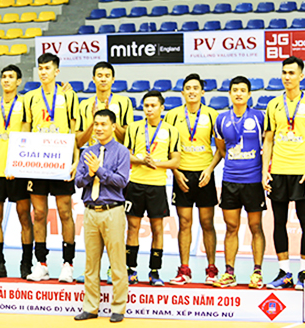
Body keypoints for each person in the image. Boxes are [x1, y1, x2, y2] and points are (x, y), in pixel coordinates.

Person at [263, 56, 305, 290]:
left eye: (291, 73)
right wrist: (264, 172)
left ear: (301, 76)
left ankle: (303, 273)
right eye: (284, 73)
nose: (287, 77)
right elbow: (267, 141)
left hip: (301, 172)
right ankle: (285, 271)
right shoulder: (273, 105)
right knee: (279, 222)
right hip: (278, 171)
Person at [23, 53, 79, 283]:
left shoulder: (69, 95)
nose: (43, 72)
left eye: (48, 68)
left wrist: (76, 160)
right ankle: (42, 264)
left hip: (61, 160)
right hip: (38, 162)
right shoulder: (30, 97)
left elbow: (75, 131)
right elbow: (26, 130)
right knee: (39, 214)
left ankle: (68, 264)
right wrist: (23, 161)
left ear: (57, 71)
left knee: (65, 212)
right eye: (40, 68)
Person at [74, 110, 129, 324]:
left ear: (113, 127)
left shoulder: (122, 152)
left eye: (103, 124)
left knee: (117, 262)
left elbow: (121, 181)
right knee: (90, 263)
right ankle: (90, 307)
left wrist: (99, 171)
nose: (98, 128)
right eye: (96, 124)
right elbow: (78, 181)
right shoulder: (87, 151)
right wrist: (89, 173)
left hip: (112, 211)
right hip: (90, 211)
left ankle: (118, 307)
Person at [164, 74, 220, 285]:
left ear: (202, 92)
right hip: (182, 175)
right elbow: (167, 149)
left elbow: (220, 149)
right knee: (184, 223)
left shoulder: (213, 114)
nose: (192, 91)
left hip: (205, 173)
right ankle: (184, 269)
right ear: (182, 92)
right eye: (188, 88)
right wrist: (176, 173)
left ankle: (211, 269)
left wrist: (210, 169)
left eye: (196, 88)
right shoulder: (172, 115)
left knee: (207, 223)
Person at [214, 76, 266, 289]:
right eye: (235, 90)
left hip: (253, 181)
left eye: (242, 90)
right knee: (231, 227)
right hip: (230, 180)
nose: (238, 93)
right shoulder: (221, 119)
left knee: (255, 226)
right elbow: (221, 148)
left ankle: (257, 273)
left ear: (249, 94)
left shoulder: (260, 117)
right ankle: (229, 273)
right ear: (230, 93)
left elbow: (267, 146)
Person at [124, 90, 180, 286]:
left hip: (157, 186)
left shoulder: (172, 130)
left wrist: (156, 163)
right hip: (135, 184)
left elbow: (175, 161)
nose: (149, 109)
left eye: (153, 105)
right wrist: (141, 161)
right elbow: (127, 156)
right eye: (146, 105)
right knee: (132, 228)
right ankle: (130, 269)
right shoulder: (134, 128)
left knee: (157, 229)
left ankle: (154, 271)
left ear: (162, 108)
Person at [0, 64, 33, 279]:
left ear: (18, 81)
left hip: (19, 170)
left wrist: (16, 164)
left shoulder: (25, 103)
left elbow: (26, 137)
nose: (6, 80)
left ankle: (26, 265)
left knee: (25, 218)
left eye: (11, 77)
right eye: (4, 76)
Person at [76, 61, 133, 148]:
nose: (103, 79)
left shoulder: (124, 102)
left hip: (116, 154)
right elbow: (79, 142)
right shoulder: (85, 104)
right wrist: (94, 122)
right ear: (94, 79)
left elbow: (129, 138)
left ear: (113, 79)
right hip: (93, 155)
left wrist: (110, 118)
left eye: (107, 76)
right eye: (99, 76)